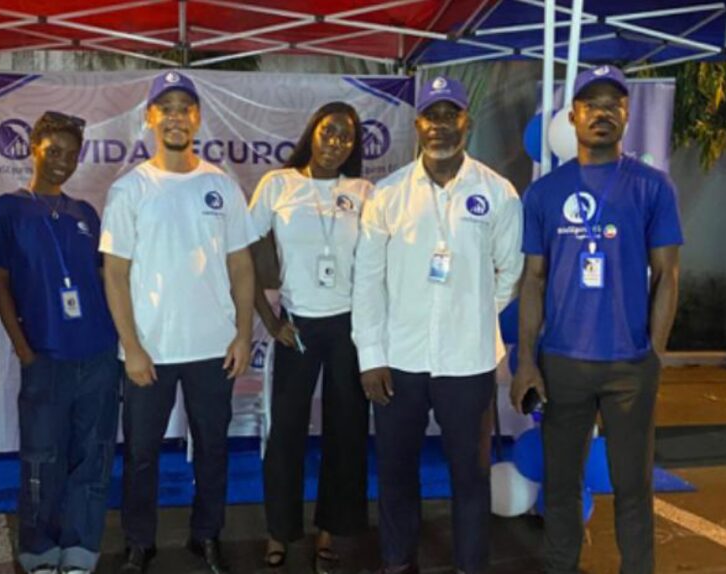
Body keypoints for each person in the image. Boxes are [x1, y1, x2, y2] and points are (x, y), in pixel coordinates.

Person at [511, 65, 683, 574]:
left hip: (630, 365)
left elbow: (668, 275)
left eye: (613, 104)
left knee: (633, 488)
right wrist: (527, 362)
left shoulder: (653, 187)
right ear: (573, 117)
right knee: (561, 487)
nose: (602, 113)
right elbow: (532, 280)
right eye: (591, 104)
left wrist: (653, 355)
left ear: (627, 115)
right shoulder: (544, 193)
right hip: (562, 364)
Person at [352, 76, 523, 574]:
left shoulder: (497, 192)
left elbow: (510, 272)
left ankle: (470, 565)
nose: (441, 126)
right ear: (417, 124)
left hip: (468, 360)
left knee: (470, 476)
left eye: (451, 115)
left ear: (467, 121)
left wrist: (473, 315)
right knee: (396, 472)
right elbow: (368, 281)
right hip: (398, 361)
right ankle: (397, 562)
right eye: (432, 116)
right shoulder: (388, 194)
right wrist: (371, 357)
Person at [100, 71, 258, 574]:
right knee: (142, 453)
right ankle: (139, 542)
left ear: (197, 117)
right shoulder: (130, 189)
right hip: (150, 350)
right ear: (150, 117)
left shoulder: (221, 186)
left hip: (214, 347)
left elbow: (241, 266)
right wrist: (132, 345)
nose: (175, 117)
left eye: (183, 108)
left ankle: (206, 535)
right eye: (164, 107)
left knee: (213, 449)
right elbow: (115, 273)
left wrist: (243, 334)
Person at [0, 111, 119, 574]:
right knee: (42, 457)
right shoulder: (6, 210)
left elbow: (104, 280)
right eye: (53, 150)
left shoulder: (85, 214)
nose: (63, 161)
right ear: (32, 149)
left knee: (93, 455)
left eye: (72, 154)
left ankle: (81, 548)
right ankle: (38, 548)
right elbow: (0, 284)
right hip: (45, 355)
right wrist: (24, 349)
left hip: (98, 353)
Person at [249, 102, 372, 573]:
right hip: (296, 326)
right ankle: (279, 531)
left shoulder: (363, 192)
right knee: (285, 432)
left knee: (347, 432)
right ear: (312, 132)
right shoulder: (278, 184)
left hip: (348, 328)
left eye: (346, 136)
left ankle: (328, 532)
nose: (336, 142)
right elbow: (242, 250)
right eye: (328, 131)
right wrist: (270, 320)